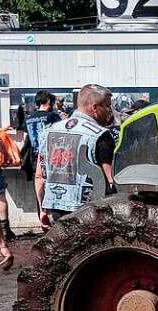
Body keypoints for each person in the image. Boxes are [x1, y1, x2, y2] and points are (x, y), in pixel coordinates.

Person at [36, 84, 116, 227]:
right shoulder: (100, 135)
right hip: (89, 213)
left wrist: (42, 210)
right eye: (108, 106)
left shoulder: (48, 132)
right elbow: (110, 180)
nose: (110, 111)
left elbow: (40, 176)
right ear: (95, 107)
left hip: (55, 208)